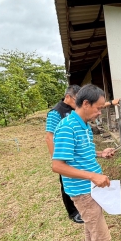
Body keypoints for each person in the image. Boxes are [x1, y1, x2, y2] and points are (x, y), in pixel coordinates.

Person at [51, 84, 121, 241]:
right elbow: (57, 165)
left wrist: (101, 154)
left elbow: (81, 151)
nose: (99, 112)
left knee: (91, 225)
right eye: (98, 108)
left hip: (90, 187)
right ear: (85, 103)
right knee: (102, 237)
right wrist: (92, 176)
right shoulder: (67, 127)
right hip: (82, 189)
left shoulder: (84, 124)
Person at [46, 85, 83, 223]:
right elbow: (49, 137)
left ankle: (79, 207)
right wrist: (57, 159)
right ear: (68, 97)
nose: (78, 104)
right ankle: (73, 212)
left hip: (73, 153)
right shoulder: (55, 113)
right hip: (62, 155)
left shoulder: (73, 110)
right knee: (66, 182)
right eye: (76, 100)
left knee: (76, 180)